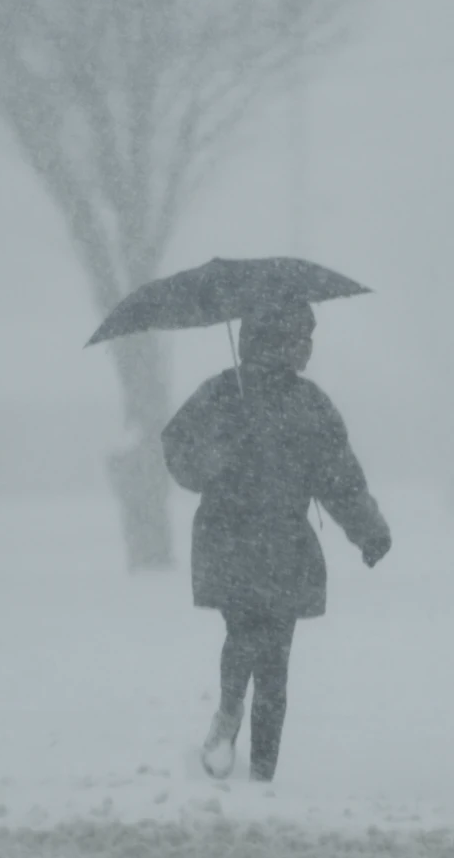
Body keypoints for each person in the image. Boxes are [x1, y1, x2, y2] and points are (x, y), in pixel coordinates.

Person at [161, 300, 390, 783]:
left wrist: (368, 529)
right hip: (264, 544)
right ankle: (250, 750)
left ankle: (246, 744)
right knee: (265, 652)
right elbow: (340, 481)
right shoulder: (293, 403)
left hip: (247, 543)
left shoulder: (232, 394)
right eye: (301, 338)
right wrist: (367, 530)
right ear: (277, 342)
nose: (307, 348)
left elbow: (339, 480)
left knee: (258, 648)